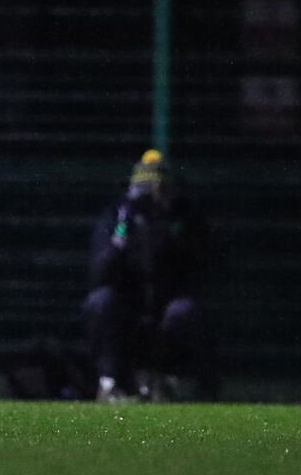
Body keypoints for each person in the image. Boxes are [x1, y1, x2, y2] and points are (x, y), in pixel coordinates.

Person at [82, 149, 221, 402]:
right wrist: (124, 234)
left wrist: (169, 233)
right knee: (101, 302)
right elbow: (99, 273)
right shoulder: (118, 217)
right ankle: (109, 383)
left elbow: (203, 266)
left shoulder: (184, 217)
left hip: (166, 316)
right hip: (128, 318)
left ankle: (185, 383)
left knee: (186, 311)